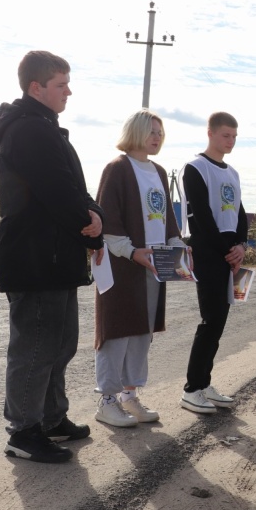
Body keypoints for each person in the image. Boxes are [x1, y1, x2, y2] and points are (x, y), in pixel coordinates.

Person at [0, 51, 103, 463]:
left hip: (56, 257)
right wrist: (88, 225)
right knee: (35, 349)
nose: (68, 91)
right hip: (35, 258)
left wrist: (97, 216)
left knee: (60, 345)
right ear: (36, 88)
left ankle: (52, 419)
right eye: (61, 84)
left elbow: (77, 188)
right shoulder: (29, 131)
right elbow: (57, 192)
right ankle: (23, 432)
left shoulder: (48, 129)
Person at [94, 110, 186, 427]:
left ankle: (129, 396)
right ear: (135, 132)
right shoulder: (117, 169)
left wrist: (178, 246)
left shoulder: (159, 172)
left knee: (142, 333)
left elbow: (167, 221)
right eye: (151, 131)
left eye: (160, 132)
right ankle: (106, 401)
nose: (157, 137)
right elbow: (107, 223)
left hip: (154, 265)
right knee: (117, 331)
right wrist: (132, 252)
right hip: (122, 266)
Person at [179, 112, 249, 414]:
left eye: (234, 136)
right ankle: (192, 388)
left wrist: (242, 247)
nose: (230, 141)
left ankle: (205, 382)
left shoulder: (232, 172)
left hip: (231, 255)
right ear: (210, 133)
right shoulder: (195, 168)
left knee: (221, 319)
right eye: (225, 135)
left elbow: (240, 213)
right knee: (210, 319)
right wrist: (227, 251)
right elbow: (202, 219)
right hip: (210, 253)